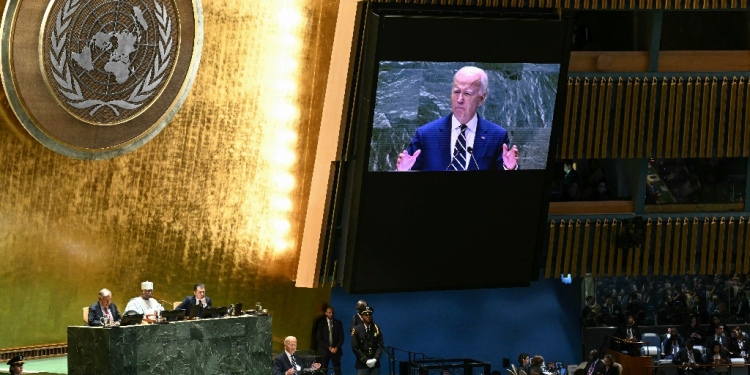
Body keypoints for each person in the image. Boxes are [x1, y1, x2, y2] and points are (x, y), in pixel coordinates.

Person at [396, 66, 519, 171]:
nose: (459, 99)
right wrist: (403, 171)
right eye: (456, 92)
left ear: (481, 98)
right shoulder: (426, 134)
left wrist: (510, 168)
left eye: (467, 93)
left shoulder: (496, 136)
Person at [351, 307, 384, 375]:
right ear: (362, 317)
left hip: (375, 364)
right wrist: (365, 360)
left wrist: (375, 359)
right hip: (362, 364)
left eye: (370, 315)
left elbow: (380, 345)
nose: (368, 316)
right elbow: (355, 347)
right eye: (366, 315)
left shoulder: (376, 328)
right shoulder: (357, 329)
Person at [317, 306, 344, 375]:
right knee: (323, 370)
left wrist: (336, 348)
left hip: (336, 351)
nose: (331, 314)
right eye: (329, 313)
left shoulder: (338, 323)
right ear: (326, 313)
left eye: (332, 313)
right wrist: (329, 347)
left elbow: (341, 337)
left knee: (337, 370)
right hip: (324, 351)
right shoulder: (321, 324)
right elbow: (319, 338)